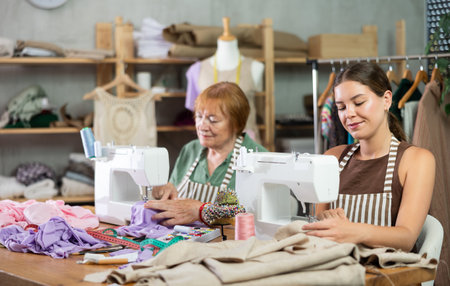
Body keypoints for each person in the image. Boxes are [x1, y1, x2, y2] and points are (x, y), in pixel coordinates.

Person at [302, 62, 435, 252]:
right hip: (338, 266)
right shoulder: (332, 158)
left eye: (359, 103)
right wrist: (324, 222)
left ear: (387, 100)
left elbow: (406, 237)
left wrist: (352, 231)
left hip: (390, 274)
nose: (349, 114)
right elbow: (316, 226)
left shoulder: (416, 160)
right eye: (341, 107)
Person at [145, 81, 267, 226]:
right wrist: (164, 191)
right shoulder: (190, 150)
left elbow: (258, 214)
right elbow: (174, 200)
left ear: (236, 124)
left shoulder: (259, 158)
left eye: (213, 120)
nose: (202, 126)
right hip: (185, 239)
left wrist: (202, 211)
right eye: (199, 116)